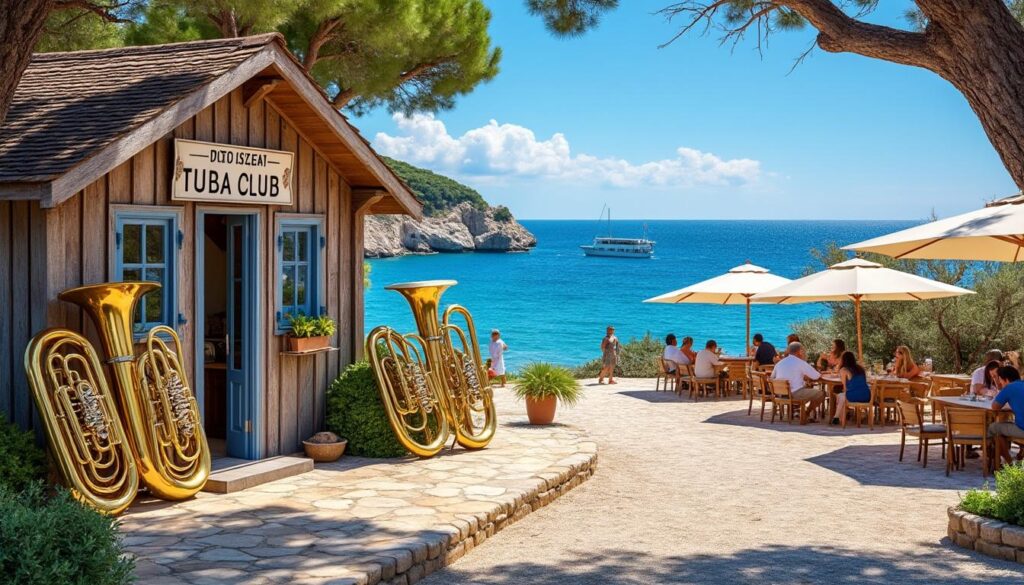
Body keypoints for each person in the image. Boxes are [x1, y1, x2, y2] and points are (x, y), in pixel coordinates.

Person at [771, 342, 825, 421]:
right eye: (803, 351)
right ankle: (806, 413)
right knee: (821, 393)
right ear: (800, 351)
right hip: (794, 394)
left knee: (804, 386)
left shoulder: (779, 363)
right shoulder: (800, 363)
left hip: (780, 394)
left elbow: (772, 377)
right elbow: (816, 376)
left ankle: (799, 411)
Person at [989, 365, 1024, 467]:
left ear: (1005, 379)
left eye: (1000, 379)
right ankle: (1018, 457)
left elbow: (994, 407)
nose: (999, 382)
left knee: (994, 428)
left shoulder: (1009, 388)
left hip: (1022, 429)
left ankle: (1009, 463)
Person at [832, 351, 871, 426]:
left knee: (841, 396)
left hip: (855, 396)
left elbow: (845, 387)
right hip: (866, 395)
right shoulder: (860, 368)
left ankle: (837, 417)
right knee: (842, 396)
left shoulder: (844, 370)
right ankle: (836, 417)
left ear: (843, 360)